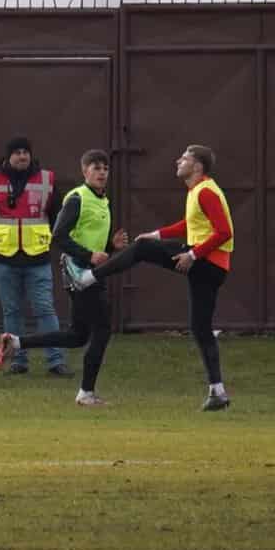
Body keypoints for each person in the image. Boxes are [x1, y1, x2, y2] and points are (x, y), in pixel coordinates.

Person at [85, 144, 235, 411]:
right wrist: (157, 235)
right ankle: (217, 392)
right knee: (200, 328)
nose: (178, 160)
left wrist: (193, 255)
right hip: (213, 267)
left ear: (197, 166)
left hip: (206, 262)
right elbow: (191, 224)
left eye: (185, 158)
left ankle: (89, 277)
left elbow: (224, 232)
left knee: (141, 250)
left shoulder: (206, 191)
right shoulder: (198, 190)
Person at [0, 149, 130, 407]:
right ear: (84, 171)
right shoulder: (77, 198)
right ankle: (86, 393)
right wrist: (89, 255)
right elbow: (58, 236)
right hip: (79, 272)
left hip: (90, 270)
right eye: (96, 168)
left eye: (105, 168)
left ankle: (16, 341)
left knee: (78, 335)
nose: (102, 172)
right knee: (102, 328)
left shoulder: (103, 200)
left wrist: (110, 247)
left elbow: (91, 241)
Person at [0, 137, 66, 376]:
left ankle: (55, 361)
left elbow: (58, 214)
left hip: (37, 256)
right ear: (8, 156)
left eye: (26, 152)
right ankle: (18, 362)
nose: (22, 156)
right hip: (4, 257)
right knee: (12, 312)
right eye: (17, 152)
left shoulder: (47, 179)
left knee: (45, 310)